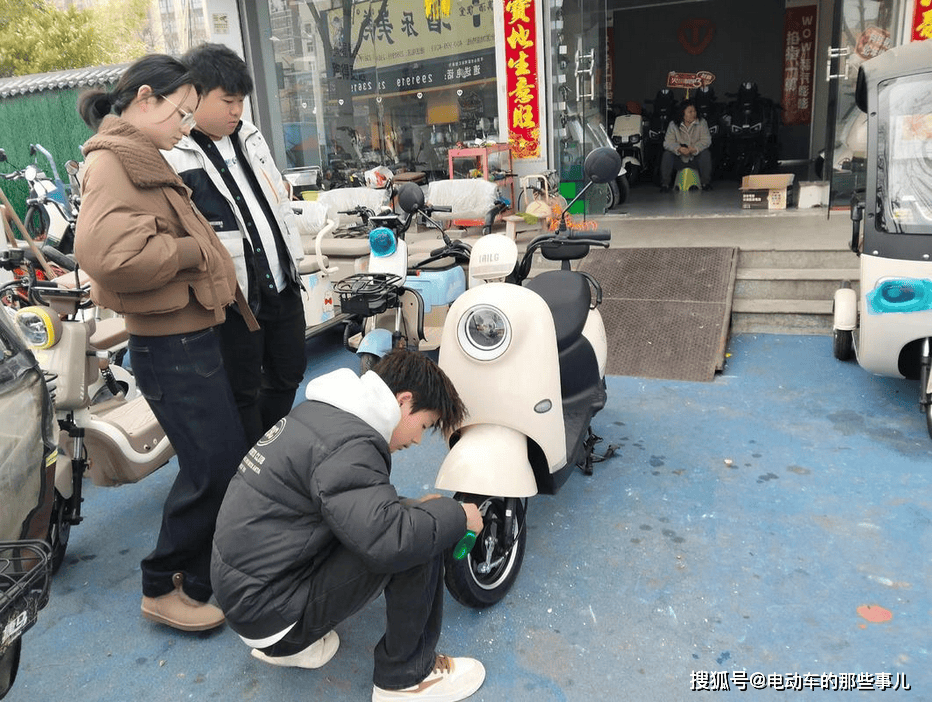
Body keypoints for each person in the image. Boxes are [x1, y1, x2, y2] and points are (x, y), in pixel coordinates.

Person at [74, 54, 257, 632]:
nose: (185, 125)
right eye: (180, 112)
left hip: (187, 336)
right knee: (213, 468)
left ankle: (196, 579)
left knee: (218, 462)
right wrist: (190, 250)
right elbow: (107, 256)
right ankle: (162, 584)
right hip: (171, 345)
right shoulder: (113, 162)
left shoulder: (139, 153)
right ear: (145, 97)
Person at [210, 349, 487, 702]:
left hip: (248, 597)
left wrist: (417, 509)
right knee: (418, 538)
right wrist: (457, 515)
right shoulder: (351, 446)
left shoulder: (323, 414)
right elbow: (391, 540)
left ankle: (293, 647)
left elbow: (350, 506)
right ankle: (406, 679)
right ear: (404, 401)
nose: (417, 440)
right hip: (269, 615)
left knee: (413, 518)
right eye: (424, 425)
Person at [163, 43, 307, 446]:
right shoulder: (175, 152)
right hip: (233, 297)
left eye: (241, 101)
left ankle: (264, 451)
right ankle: (252, 464)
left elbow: (276, 201)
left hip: (281, 281)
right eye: (228, 101)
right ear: (196, 95)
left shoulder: (250, 136)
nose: (236, 111)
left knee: (290, 372)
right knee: (242, 389)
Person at [660, 100, 713, 192]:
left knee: (705, 154)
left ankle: (705, 183)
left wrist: (695, 149)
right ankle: (665, 184)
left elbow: (706, 140)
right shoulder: (673, 124)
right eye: (690, 112)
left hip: (695, 158)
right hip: (679, 159)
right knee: (667, 154)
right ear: (682, 113)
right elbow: (667, 142)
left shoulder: (702, 122)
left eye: (694, 111)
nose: (693, 114)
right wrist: (679, 149)